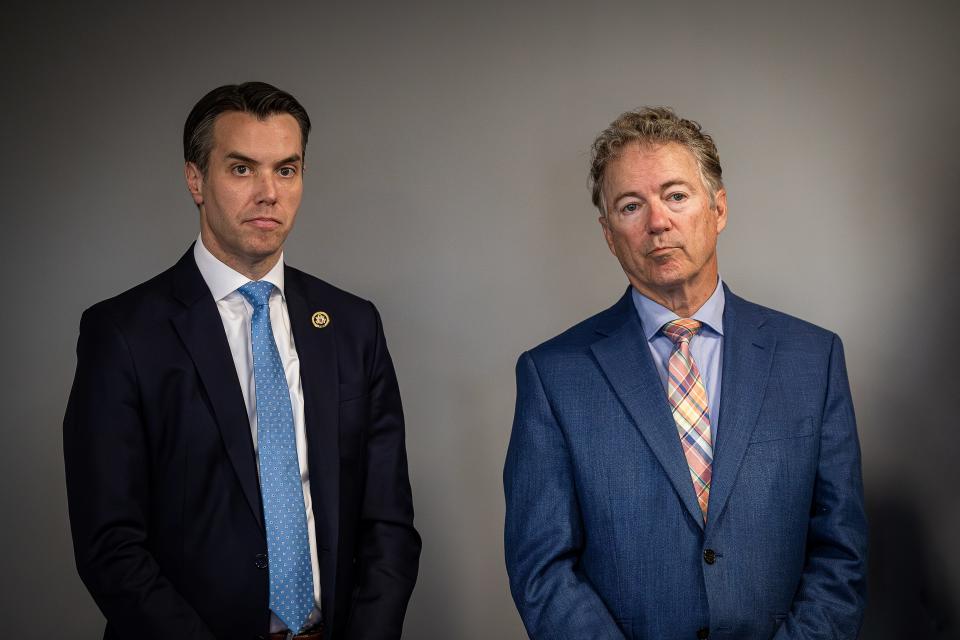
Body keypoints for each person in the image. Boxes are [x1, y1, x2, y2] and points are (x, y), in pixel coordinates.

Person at [64, 82, 421, 640]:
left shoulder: (352, 325)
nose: (268, 193)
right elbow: (110, 545)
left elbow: (389, 524)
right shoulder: (123, 333)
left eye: (286, 169)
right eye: (240, 169)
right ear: (195, 180)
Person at [503, 107, 867, 639]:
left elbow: (841, 551)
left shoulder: (813, 359)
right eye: (632, 205)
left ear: (718, 208)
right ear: (609, 233)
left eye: (676, 195)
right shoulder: (553, 376)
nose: (658, 222)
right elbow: (543, 569)